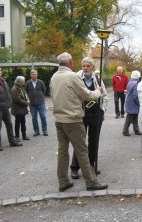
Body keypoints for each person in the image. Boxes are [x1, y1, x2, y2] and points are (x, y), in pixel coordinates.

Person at [50, 52, 108, 192]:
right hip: (73, 119)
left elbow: (53, 96)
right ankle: (91, 182)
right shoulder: (72, 76)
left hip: (59, 119)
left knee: (62, 150)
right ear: (70, 62)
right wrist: (99, 91)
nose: (84, 67)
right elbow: (87, 95)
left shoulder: (54, 77)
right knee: (82, 150)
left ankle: (63, 181)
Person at [70, 57, 108, 179]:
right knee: (80, 142)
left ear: (92, 67)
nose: (85, 68)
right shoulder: (76, 77)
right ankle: (75, 168)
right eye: (83, 66)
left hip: (96, 115)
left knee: (94, 142)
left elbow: (104, 95)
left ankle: (91, 167)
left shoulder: (97, 79)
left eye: (88, 66)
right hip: (81, 114)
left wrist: (102, 110)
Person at [25, 70, 48, 136]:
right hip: (32, 104)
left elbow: (44, 90)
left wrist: (40, 97)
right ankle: (36, 131)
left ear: (37, 75)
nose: (34, 75)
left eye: (35, 74)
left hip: (41, 103)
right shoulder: (28, 83)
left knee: (43, 117)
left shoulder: (40, 82)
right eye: (32, 74)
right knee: (34, 118)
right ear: (30, 75)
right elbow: (26, 91)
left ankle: (45, 130)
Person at [11, 76, 30, 141]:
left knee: (23, 122)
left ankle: (24, 135)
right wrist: (26, 103)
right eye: (23, 81)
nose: (24, 82)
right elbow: (17, 100)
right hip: (17, 109)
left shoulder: (21, 87)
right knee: (18, 122)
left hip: (22, 108)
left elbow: (24, 95)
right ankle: (17, 136)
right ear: (20, 82)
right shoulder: (14, 89)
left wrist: (27, 100)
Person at [122, 70, 141, 136]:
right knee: (130, 117)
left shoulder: (130, 82)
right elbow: (135, 95)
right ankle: (125, 130)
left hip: (129, 101)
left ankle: (136, 130)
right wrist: (139, 103)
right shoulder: (136, 84)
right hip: (133, 103)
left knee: (135, 116)